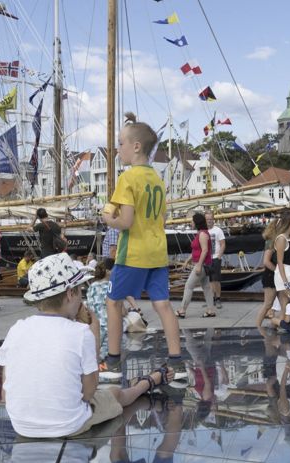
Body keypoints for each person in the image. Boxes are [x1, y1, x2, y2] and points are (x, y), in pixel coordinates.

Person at [0, 254, 175, 438]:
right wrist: (95, 333)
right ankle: (145, 384)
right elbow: (88, 393)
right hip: (68, 424)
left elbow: (5, 395)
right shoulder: (80, 333)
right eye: (80, 291)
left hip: (21, 425)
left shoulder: (15, 329)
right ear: (70, 294)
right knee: (115, 393)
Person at [100, 112, 182, 381]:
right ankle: (177, 363)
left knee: (112, 303)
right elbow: (162, 217)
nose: (117, 149)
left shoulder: (128, 178)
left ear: (136, 146)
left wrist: (106, 217)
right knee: (164, 306)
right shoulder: (157, 179)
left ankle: (112, 363)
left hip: (132, 252)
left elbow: (125, 221)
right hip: (157, 252)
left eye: (121, 143)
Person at [86, 258, 144, 361]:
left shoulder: (91, 287)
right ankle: (124, 353)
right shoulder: (113, 287)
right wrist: (128, 310)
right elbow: (121, 313)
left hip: (95, 325)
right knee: (133, 316)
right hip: (111, 326)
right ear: (108, 271)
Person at [175, 213, 215, 319]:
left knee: (188, 286)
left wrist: (199, 266)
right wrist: (187, 261)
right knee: (206, 287)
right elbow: (196, 251)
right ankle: (211, 310)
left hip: (202, 264)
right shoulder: (201, 233)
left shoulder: (202, 234)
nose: (191, 223)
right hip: (203, 264)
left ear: (196, 222)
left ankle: (182, 310)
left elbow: (205, 250)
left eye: (192, 221)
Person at [273, 211, 290, 318]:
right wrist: (285, 282)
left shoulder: (289, 238)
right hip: (283, 273)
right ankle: (277, 323)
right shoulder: (281, 239)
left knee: (286, 307)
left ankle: (276, 324)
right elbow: (280, 261)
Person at [256, 219, 278, 327]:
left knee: (284, 302)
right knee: (268, 304)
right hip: (271, 274)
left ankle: (275, 325)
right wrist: (277, 271)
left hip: (275, 274)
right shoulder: (271, 242)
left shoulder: (279, 240)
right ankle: (258, 326)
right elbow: (266, 261)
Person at [205, 211, 226, 309]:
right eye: (207, 219)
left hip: (215, 257)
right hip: (207, 258)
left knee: (216, 280)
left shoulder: (218, 230)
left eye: (210, 219)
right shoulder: (204, 231)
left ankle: (218, 299)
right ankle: (211, 299)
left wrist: (218, 257)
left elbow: (223, 244)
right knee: (209, 281)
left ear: (213, 219)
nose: (209, 221)